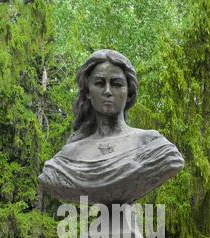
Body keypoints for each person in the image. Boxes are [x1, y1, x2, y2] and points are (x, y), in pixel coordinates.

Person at [38, 49, 184, 205]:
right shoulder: (68, 157)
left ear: (129, 92)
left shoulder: (153, 145)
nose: (107, 91)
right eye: (99, 83)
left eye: (116, 84)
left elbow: (173, 163)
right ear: (87, 92)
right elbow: (48, 179)